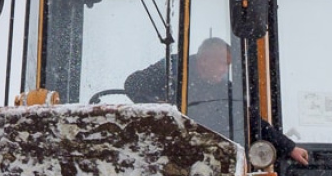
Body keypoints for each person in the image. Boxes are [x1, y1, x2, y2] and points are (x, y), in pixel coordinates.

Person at [124, 37, 310, 165]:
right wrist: (159, 108)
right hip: (162, 148)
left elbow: (250, 119)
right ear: (204, 60)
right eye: (222, 64)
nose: (225, 70)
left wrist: (289, 147)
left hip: (202, 151)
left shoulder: (224, 88)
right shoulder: (172, 70)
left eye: (228, 66)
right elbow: (132, 84)